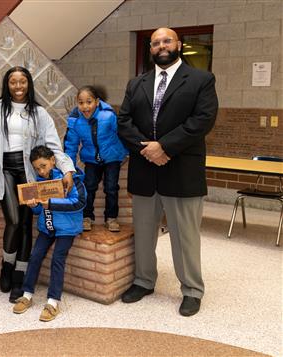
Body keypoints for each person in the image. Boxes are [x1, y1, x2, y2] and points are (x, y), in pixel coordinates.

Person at [117, 27, 218, 316]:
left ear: (179, 45)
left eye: (167, 41)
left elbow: (202, 120)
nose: (161, 46)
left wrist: (165, 147)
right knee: (144, 234)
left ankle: (191, 290)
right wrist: (148, 149)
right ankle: (144, 280)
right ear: (150, 49)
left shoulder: (201, 79)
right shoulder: (136, 84)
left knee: (185, 236)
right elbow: (124, 121)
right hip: (144, 170)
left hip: (182, 171)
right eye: (156, 43)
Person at [0, 66, 75, 303]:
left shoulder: (39, 113)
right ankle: (7, 266)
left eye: (23, 82)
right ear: (6, 84)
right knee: (13, 221)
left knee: (26, 222)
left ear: (29, 84)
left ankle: (20, 276)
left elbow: (52, 145)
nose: (18, 86)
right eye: (13, 82)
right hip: (5, 171)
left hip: (29, 172)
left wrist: (67, 168)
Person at [12, 145, 86, 322]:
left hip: (66, 230)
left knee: (57, 260)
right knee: (35, 256)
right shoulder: (38, 182)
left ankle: (53, 302)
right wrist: (34, 206)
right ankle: (27, 295)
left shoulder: (71, 179)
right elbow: (39, 210)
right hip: (47, 227)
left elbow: (80, 203)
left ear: (53, 161)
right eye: (37, 168)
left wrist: (50, 203)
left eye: (43, 166)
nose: (41, 171)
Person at [64, 85, 128, 232]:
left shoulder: (109, 116)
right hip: (91, 159)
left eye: (89, 101)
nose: (85, 106)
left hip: (112, 157)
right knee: (89, 187)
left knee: (111, 188)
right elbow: (71, 145)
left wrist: (125, 152)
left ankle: (111, 218)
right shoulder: (74, 121)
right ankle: (87, 217)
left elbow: (122, 134)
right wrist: (68, 167)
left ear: (97, 102)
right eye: (81, 102)